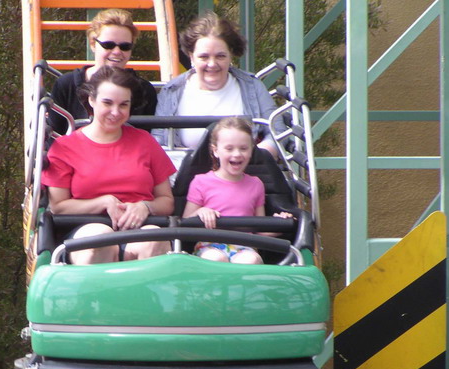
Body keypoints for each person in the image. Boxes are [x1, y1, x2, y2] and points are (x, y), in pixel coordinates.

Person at [43, 66, 176, 265]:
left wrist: (146, 206)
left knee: (154, 239)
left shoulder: (144, 142)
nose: (115, 112)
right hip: (86, 227)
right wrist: (103, 203)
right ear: (91, 100)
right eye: (107, 103)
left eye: (123, 105)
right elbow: (58, 206)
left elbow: (166, 201)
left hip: (141, 227)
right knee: (99, 238)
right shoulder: (65, 147)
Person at [152, 12, 282, 159]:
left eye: (220, 56)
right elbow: (159, 141)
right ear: (191, 56)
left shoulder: (252, 86)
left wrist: (258, 155)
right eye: (204, 57)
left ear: (230, 55)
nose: (212, 64)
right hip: (186, 173)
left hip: (243, 171)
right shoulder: (171, 91)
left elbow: (277, 131)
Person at [182, 116, 291, 264]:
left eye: (243, 148)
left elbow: (260, 229)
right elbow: (185, 223)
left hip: (245, 246)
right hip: (209, 246)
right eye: (229, 148)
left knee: (250, 260)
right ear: (215, 151)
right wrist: (200, 212)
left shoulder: (256, 184)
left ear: (251, 150)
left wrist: (279, 223)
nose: (237, 154)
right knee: (216, 258)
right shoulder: (201, 181)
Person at [49, 8, 157, 135]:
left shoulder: (144, 90)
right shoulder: (66, 86)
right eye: (108, 45)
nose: (117, 52)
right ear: (93, 44)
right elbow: (53, 137)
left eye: (125, 46)